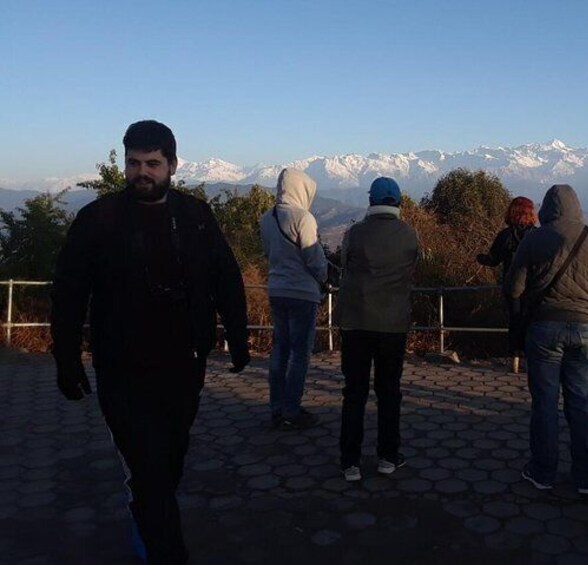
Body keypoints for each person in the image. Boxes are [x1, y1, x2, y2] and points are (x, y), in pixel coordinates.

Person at [51, 120, 250, 564]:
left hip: (185, 365)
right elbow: (67, 293)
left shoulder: (195, 216)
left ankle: (149, 515)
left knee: (171, 458)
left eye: (153, 164)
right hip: (122, 370)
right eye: (134, 163)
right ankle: (166, 550)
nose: (142, 172)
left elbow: (226, 277)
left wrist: (237, 335)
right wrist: (66, 358)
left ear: (173, 165)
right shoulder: (98, 219)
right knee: (149, 470)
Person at [505, 184, 588, 495]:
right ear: (577, 207)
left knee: (545, 403)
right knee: (581, 402)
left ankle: (543, 472)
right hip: (584, 330)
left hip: (543, 331)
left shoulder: (534, 239)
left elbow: (514, 288)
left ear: (547, 209)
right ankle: (587, 476)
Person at [336, 177, 418, 482]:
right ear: (398, 201)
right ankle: (388, 456)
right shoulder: (410, 234)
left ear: (371, 200)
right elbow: (413, 268)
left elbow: (345, 265)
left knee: (354, 393)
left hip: (355, 323)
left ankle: (350, 462)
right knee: (389, 392)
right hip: (393, 326)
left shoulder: (354, 234)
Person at [259, 168, 328, 429]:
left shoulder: (266, 218)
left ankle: (276, 408)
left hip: (276, 290)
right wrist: (324, 278)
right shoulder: (304, 218)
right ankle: (292, 410)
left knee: (279, 350)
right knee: (300, 354)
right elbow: (314, 258)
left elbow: (268, 252)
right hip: (302, 293)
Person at [477, 196, 537, 360]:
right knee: (532, 320)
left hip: (511, 286)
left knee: (514, 320)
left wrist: (480, 258)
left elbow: (493, 260)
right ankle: (532, 356)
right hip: (535, 288)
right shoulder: (539, 236)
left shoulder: (505, 235)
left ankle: (515, 356)